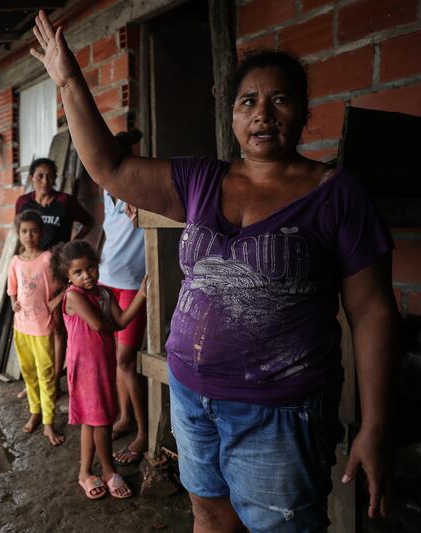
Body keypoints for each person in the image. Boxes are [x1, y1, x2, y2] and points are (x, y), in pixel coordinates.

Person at [31, 10, 398, 532]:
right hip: (191, 396)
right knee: (207, 513)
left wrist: (375, 425)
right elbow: (111, 168)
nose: (262, 114)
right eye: (248, 101)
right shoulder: (203, 179)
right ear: (231, 114)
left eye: (279, 100)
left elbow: (372, 312)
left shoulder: (337, 195)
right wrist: (69, 80)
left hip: (279, 410)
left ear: (303, 111)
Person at [52, 239, 147, 500]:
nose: (87, 275)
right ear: (68, 276)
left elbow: (122, 321)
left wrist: (141, 295)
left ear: (98, 265)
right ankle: (108, 471)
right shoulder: (74, 295)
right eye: (78, 272)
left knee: (92, 421)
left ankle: (85, 473)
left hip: (103, 366)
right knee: (102, 422)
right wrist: (114, 324)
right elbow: (100, 325)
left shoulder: (104, 293)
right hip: (85, 369)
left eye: (91, 268)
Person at [16, 157, 96, 396]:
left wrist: (70, 244)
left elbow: (89, 222)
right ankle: (34, 383)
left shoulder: (64, 202)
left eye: (50, 175)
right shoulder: (23, 202)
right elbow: (19, 230)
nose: (45, 180)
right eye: (40, 175)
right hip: (32, 271)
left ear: (56, 178)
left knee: (57, 326)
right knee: (31, 325)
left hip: (57, 269)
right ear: (32, 177)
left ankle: (54, 382)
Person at [99, 130, 149, 464]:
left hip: (132, 286)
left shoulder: (143, 190)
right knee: (118, 358)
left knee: (126, 359)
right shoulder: (107, 189)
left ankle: (143, 432)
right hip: (106, 283)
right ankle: (125, 417)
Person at [7, 210, 65, 446]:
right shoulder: (15, 261)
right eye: (24, 231)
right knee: (29, 373)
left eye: (33, 231)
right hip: (21, 327)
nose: (28, 236)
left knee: (46, 375)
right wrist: (13, 302)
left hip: (42, 328)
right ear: (18, 233)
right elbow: (12, 288)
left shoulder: (48, 259)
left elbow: (66, 283)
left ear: (41, 233)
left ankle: (48, 421)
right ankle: (35, 411)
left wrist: (56, 300)